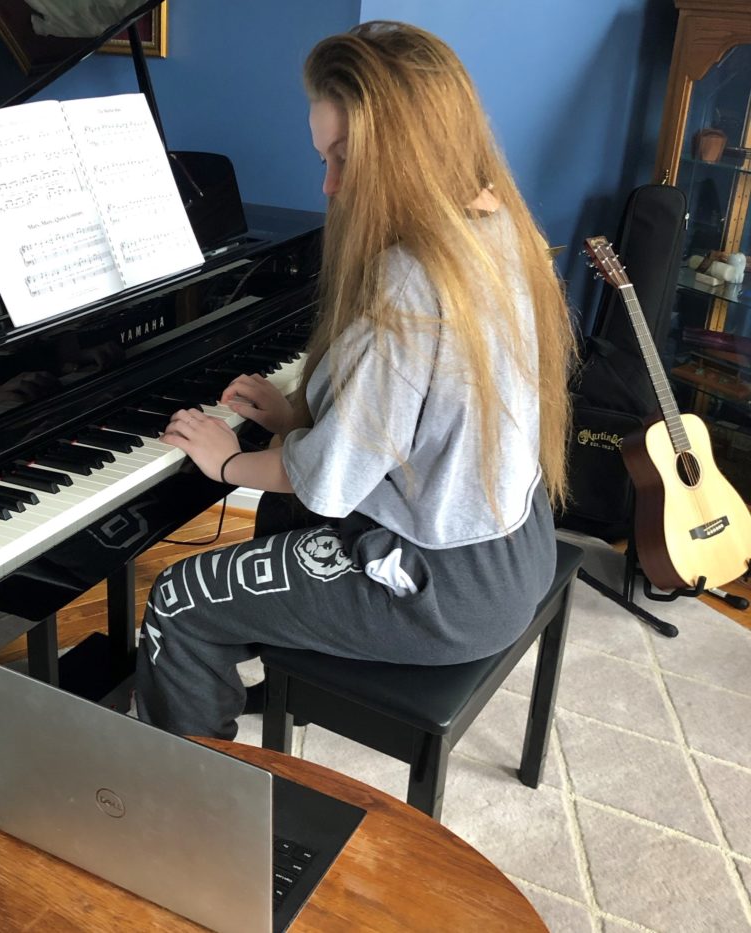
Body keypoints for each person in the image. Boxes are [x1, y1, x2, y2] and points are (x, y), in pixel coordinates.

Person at [134, 20, 577, 739]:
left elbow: (332, 483)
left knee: (181, 596)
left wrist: (228, 462)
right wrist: (296, 419)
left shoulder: (410, 280)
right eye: (325, 157)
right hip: (512, 547)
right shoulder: (495, 223)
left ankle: (194, 811)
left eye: (345, 158)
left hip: (442, 588)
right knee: (278, 530)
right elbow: (415, 425)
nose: (329, 185)